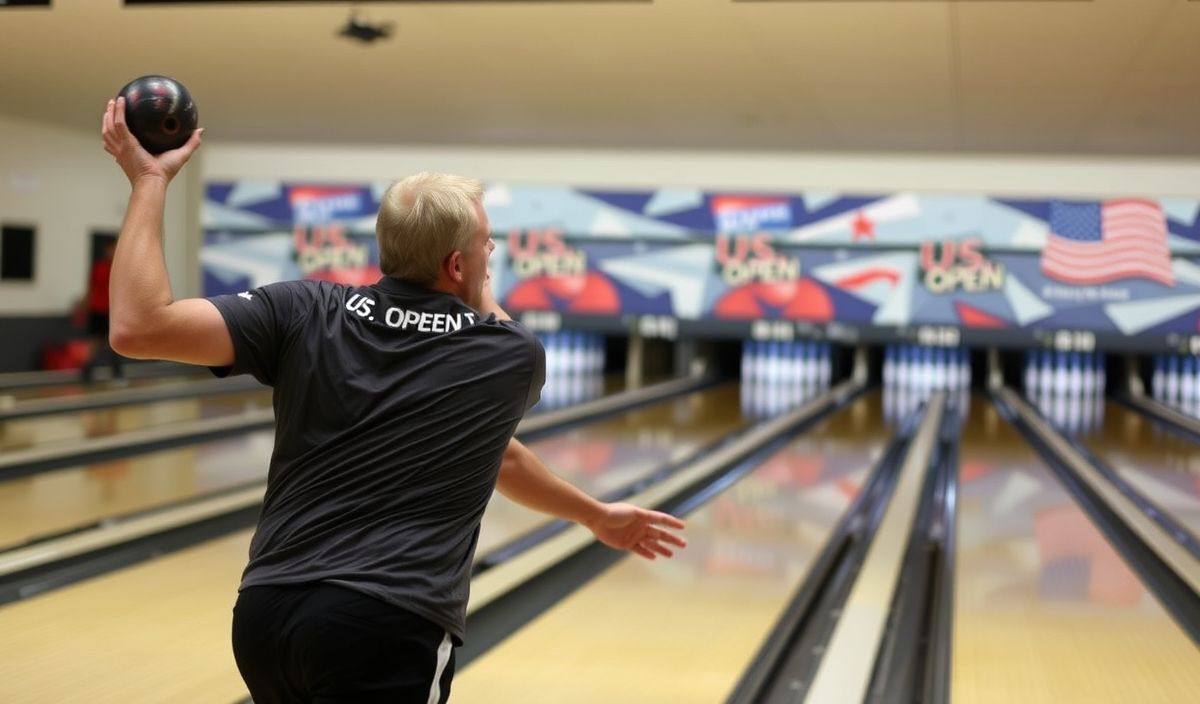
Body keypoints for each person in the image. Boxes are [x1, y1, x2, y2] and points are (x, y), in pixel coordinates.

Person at [101, 97, 686, 703]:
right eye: (487, 244)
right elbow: (495, 356)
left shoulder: (303, 309)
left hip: (266, 616)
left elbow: (137, 328)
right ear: (458, 262)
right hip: (386, 622)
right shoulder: (507, 354)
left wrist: (149, 180)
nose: (494, 254)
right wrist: (593, 514)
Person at [79, 238, 124, 382]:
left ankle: (117, 374)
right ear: (106, 250)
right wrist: (84, 306)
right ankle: (87, 371)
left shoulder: (120, 268)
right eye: (111, 248)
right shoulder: (98, 267)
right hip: (97, 310)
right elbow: (90, 288)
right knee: (95, 343)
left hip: (112, 311)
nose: (112, 251)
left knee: (114, 344)